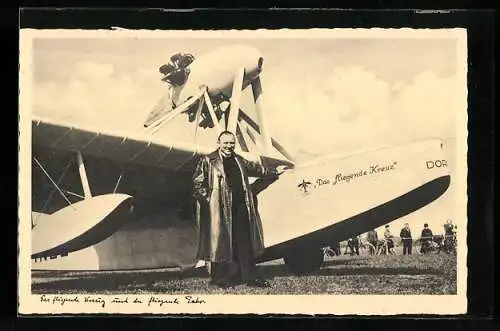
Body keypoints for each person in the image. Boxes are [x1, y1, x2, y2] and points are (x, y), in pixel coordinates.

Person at [192, 130, 286, 288]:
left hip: (241, 207)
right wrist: (209, 200)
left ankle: (250, 277)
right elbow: (197, 184)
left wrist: (274, 171)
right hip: (219, 210)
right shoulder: (208, 160)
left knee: (244, 242)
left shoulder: (239, 160)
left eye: (231, 143)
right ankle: (220, 280)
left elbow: (257, 169)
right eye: (226, 143)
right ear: (219, 142)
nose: (229, 146)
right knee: (219, 243)